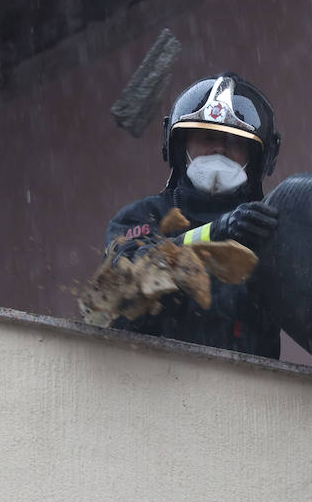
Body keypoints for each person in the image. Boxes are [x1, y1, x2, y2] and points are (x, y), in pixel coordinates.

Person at [105, 73, 283, 357]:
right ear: (179, 147)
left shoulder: (272, 230)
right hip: (149, 377)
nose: (219, 149)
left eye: (233, 142)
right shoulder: (141, 217)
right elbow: (131, 280)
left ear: (259, 157)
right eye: (207, 137)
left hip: (246, 383)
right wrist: (215, 233)